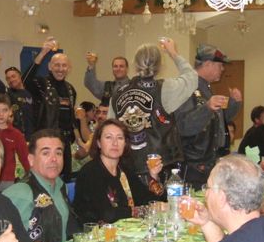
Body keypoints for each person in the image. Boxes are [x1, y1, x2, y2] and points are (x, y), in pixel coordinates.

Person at [110, 37, 197, 188]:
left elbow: (108, 131)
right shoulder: (166, 88)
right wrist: (173, 53)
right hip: (161, 167)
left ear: (135, 64)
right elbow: (192, 78)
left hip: (126, 168)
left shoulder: (117, 94)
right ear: (159, 65)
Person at [175, 44, 241, 188]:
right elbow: (183, 126)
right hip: (194, 166)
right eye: (220, 65)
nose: (223, 69)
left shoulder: (205, 88)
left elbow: (218, 122)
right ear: (208, 64)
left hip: (207, 162)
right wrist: (207, 108)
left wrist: (234, 103)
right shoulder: (187, 87)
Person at [73, 119, 161, 224]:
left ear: (125, 144)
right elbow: (107, 214)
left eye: (120, 138)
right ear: (99, 143)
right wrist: (141, 210)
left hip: (126, 229)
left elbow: (147, 199)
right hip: (96, 232)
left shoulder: (124, 170)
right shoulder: (90, 173)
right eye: (108, 137)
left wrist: (153, 176)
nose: (115, 143)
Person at [4, 129, 79, 242]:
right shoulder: (21, 193)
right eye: (46, 153)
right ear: (31, 159)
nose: (54, 159)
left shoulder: (61, 186)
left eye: (58, 153)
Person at [22, 38, 77, 181]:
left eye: (64, 65)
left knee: (64, 181)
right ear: (49, 67)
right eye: (57, 65)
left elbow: (70, 119)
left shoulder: (71, 89)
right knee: (45, 178)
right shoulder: (41, 84)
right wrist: (42, 53)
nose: (60, 69)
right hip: (46, 142)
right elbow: (25, 79)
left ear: (69, 68)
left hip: (64, 144)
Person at [0, 57, 34, 139]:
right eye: (8, 78)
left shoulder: (31, 92)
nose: (11, 80)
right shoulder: (7, 93)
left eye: (13, 76)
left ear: (20, 76)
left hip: (32, 135)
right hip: (14, 135)